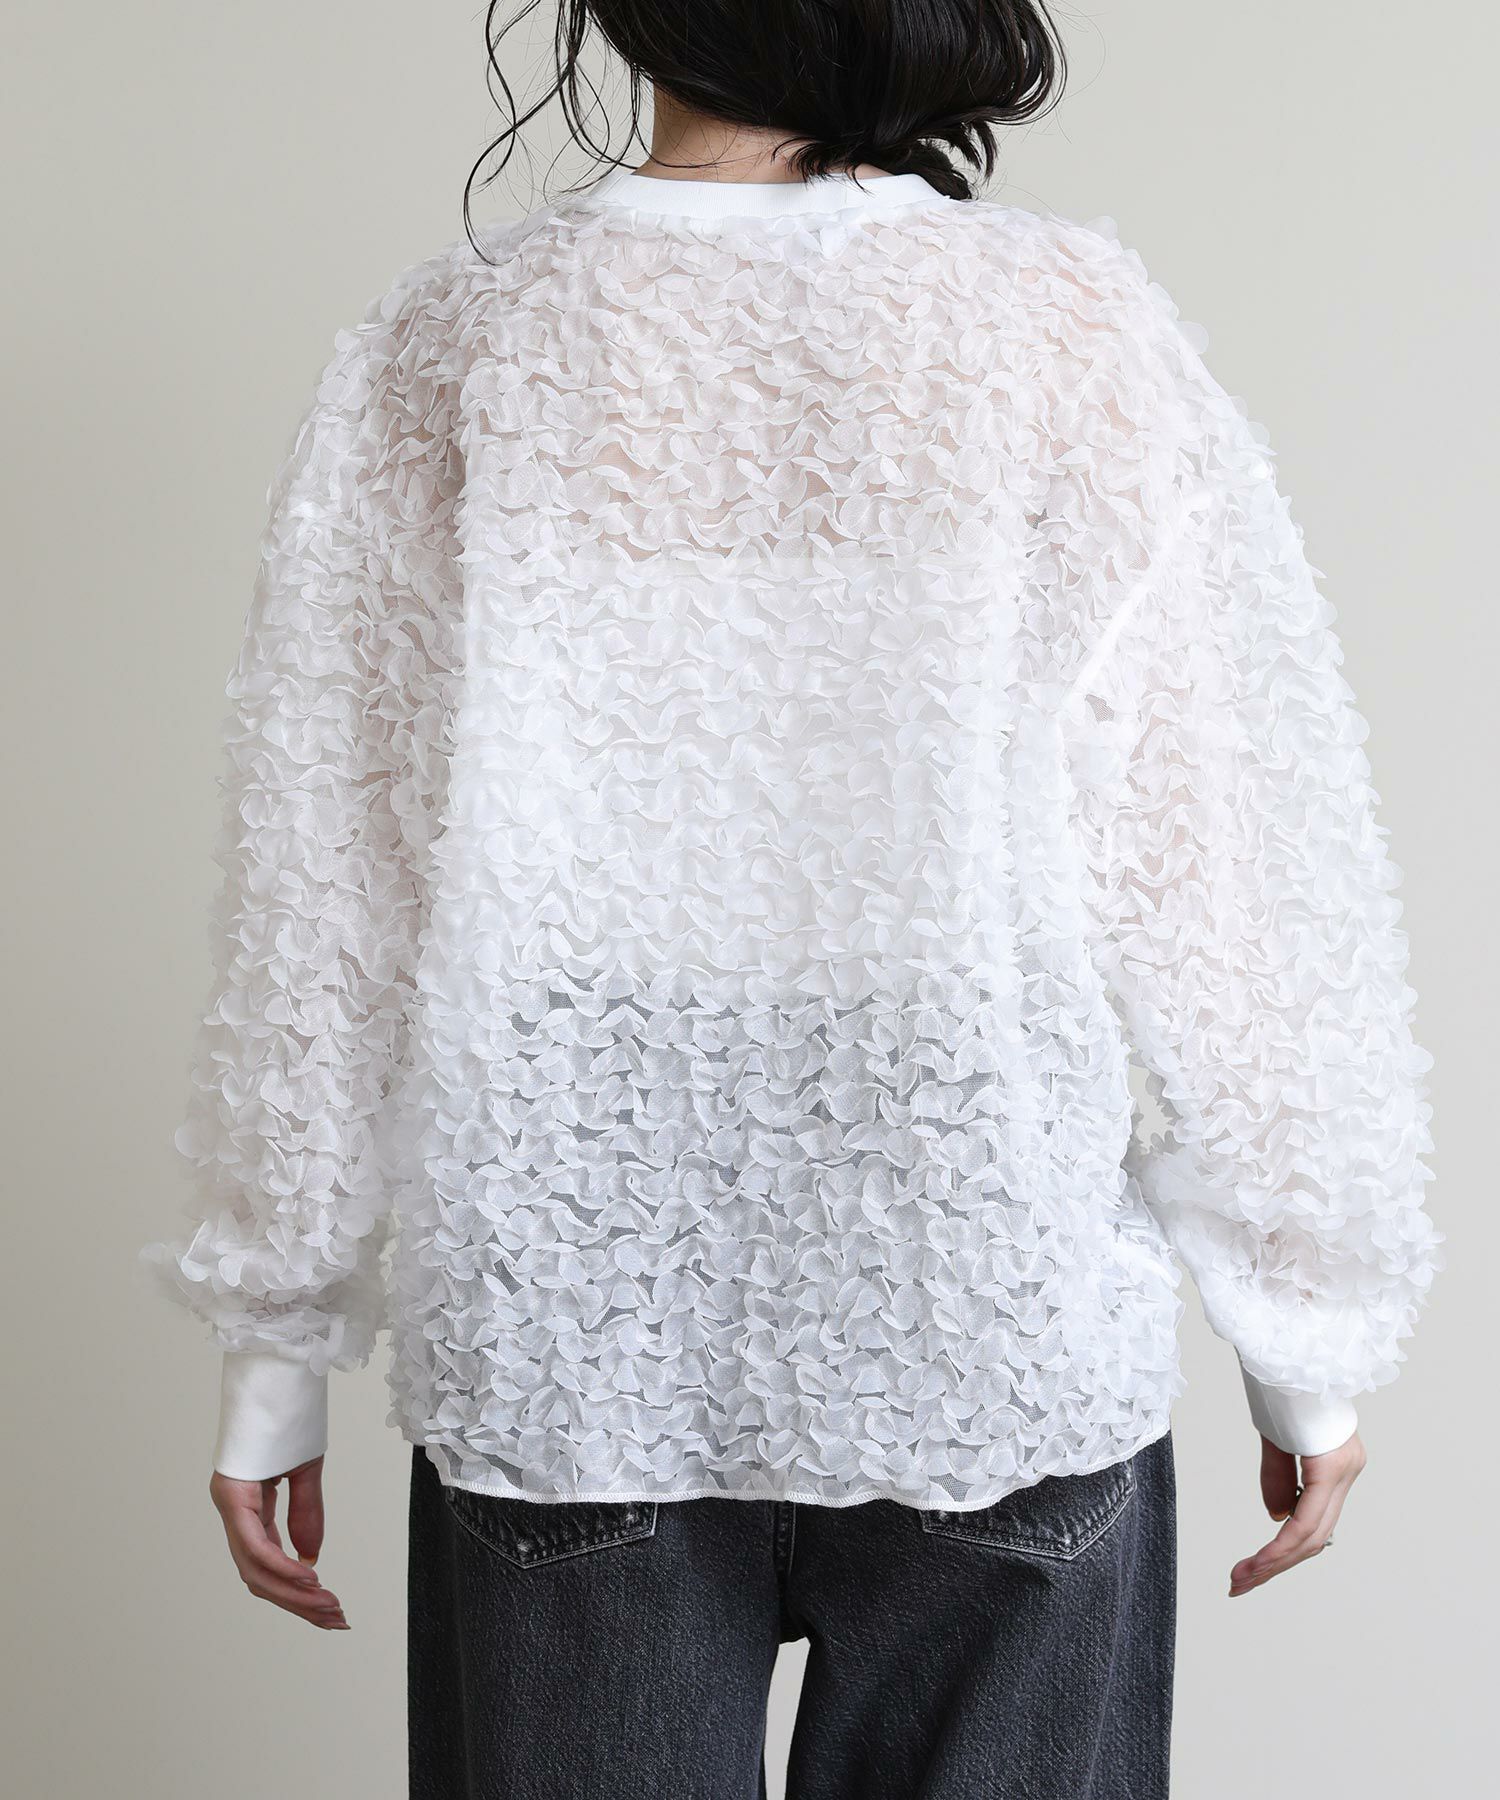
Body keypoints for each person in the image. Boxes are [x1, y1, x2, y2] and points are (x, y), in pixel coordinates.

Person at [146, 3, 1439, 1794]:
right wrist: (1305, 1339)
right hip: (989, 1303)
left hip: (574, 1318)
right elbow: (1219, 844)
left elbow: (331, 874)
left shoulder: (456, 342)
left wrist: (277, 1345)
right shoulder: (1064, 324)